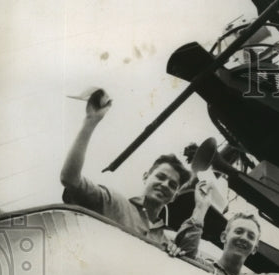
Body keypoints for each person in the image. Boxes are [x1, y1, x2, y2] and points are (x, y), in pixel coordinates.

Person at [60, 89, 190, 248]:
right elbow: (70, 179)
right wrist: (90, 121)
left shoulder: (166, 243)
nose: (165, 185)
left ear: (175, 196)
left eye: (172, 185)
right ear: (145, 176)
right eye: (161, 177)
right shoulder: (113, 202)